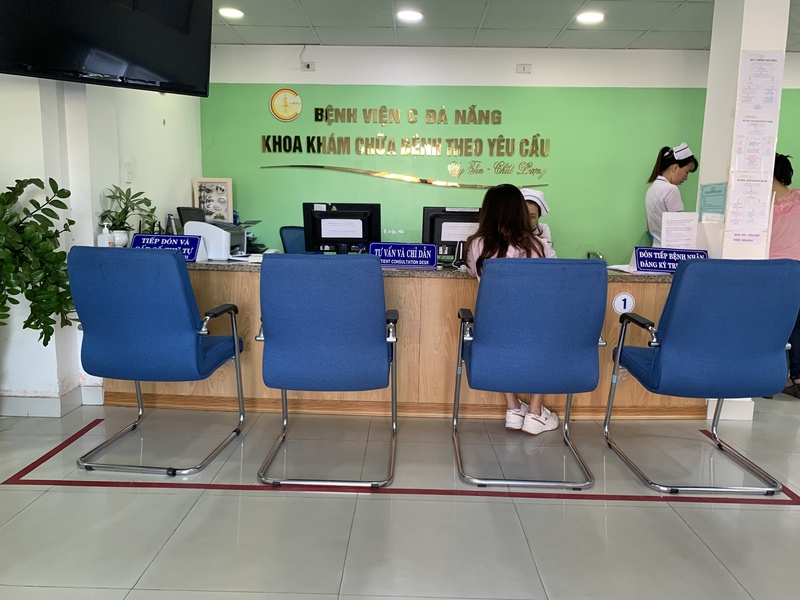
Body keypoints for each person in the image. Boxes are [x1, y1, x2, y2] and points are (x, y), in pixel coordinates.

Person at [465, 184, 558, 435]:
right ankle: (536, 412)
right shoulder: (539, 246)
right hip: (534, 326)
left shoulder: (477, 245)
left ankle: (513, 408)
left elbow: (474, 273)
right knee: (549, 335)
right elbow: (553, 277)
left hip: (494, 326)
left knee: (499, 343)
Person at [770, 153, 800, 398]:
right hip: (795, 269)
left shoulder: (757, 202)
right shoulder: (799, 198)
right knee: (797, 325)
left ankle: (771, 377)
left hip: (766, 270)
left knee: (769, 324)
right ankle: (796, 377)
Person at [645, 142, 699, 246]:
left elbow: (648, 226)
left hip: (656, 247)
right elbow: (680, 228)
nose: (686, 178)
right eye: (687, 172)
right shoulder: (671, 190)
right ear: (675, 167)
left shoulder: (652, 189)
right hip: (670, 250)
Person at [520, 188, 556, 255]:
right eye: (524, 216)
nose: (528, 220)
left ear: (538, 216)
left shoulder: (543, 229)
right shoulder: (510, 230)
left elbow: (549, 254)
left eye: (533, 217)